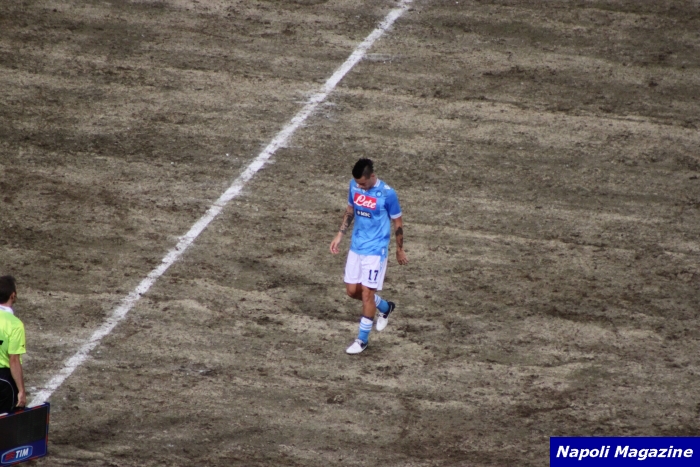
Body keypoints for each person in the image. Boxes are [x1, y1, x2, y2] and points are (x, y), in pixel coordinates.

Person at [330, 158, 408, 354]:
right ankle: (385, 307)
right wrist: (340, 235)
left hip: (376, 251)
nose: (360, 187)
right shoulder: (354, 186)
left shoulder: (388, 194)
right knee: (351, 291)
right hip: (356, 247)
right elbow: (350, 211)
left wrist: (399, 249)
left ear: (372, 176)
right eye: (357, 183)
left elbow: (397, 222)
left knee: (367, 294)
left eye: (363, 183)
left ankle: (362, 340)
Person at [0, 276, 26, 413]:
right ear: (13, 295)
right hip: (3, 381)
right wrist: (21, 390)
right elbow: (14, 360)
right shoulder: (15, 324)